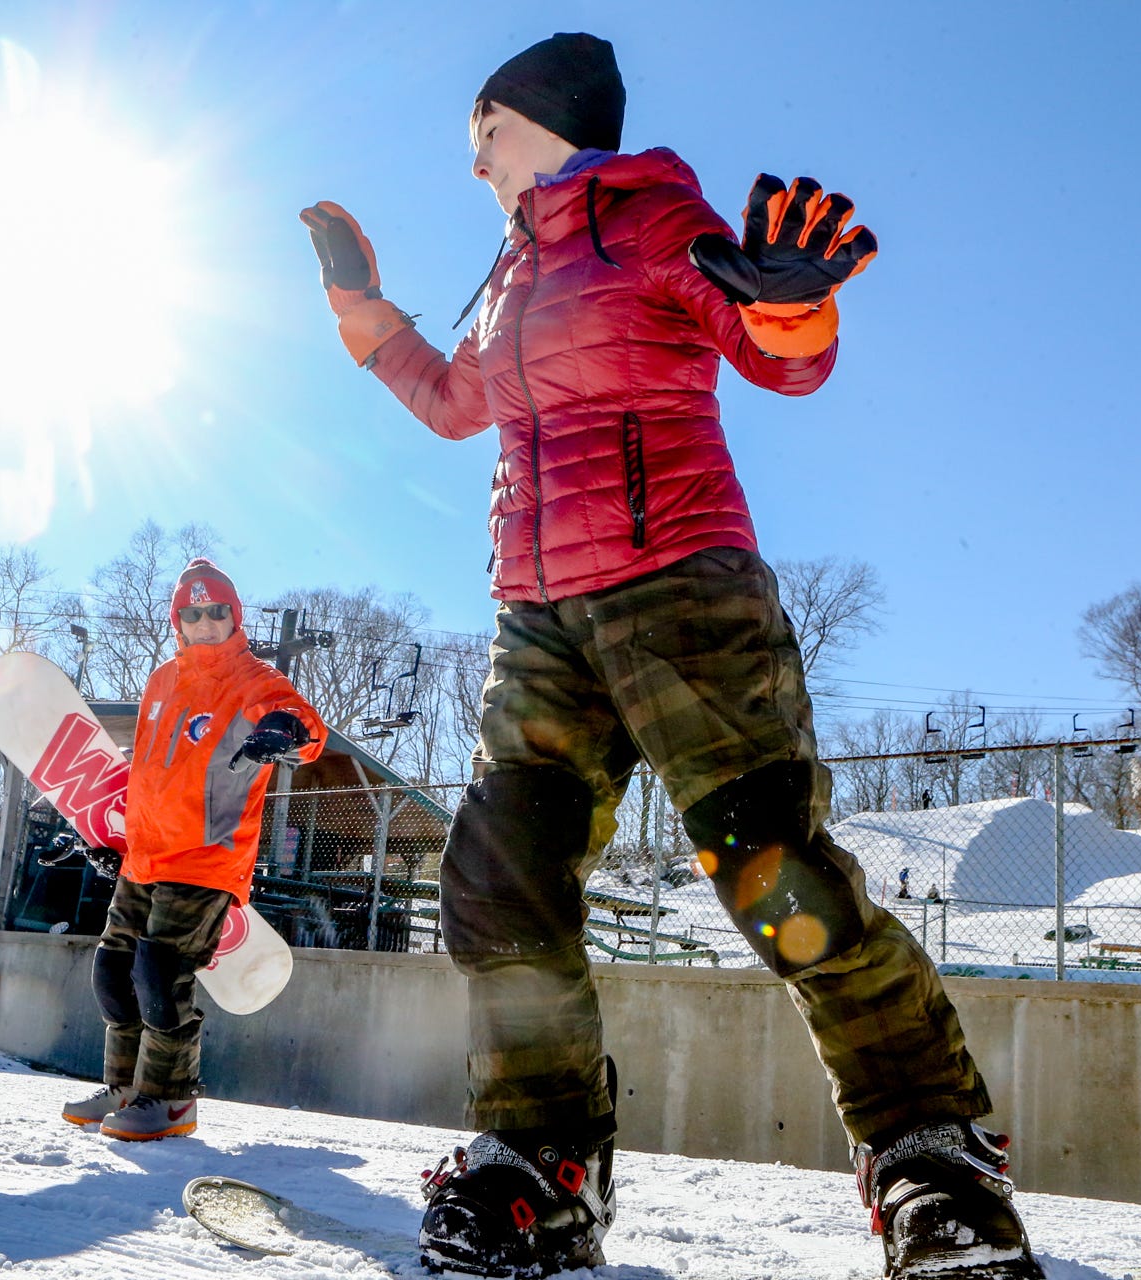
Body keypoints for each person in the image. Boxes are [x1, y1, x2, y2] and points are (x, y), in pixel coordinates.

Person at [301, 32, 1041, 1280]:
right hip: (538, 617)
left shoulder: (644, 213)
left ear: (542, 116)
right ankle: (542, 1167)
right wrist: (364, 316)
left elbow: (774, 353)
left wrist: (792, 296)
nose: (473, 152)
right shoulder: (515, 269)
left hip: (681, 592)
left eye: (486, 125)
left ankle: (935, 1163)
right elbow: (455, 404)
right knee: (502, 876)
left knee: (774, 873)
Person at [60, 558, 326, 1141]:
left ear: (235, 617)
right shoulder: (161, 680)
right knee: (114, 968)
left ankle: (171, 1101)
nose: (205, 622)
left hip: (206, 856)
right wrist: (114, 835)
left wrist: (285, 728)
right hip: (145, 854)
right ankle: (126, 1087)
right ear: (177, 620)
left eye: (217, 611)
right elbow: (148, 771)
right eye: (192, 612)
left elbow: (305, 728)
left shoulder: (254, 678)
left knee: (160, 972)